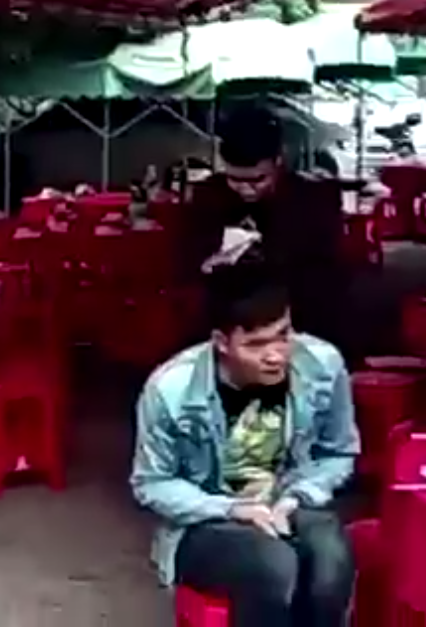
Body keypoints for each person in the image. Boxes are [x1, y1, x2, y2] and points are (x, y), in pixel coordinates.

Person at [131, 266, 360, 627]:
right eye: (256, 345)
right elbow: (152, 483)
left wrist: (298, 496)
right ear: (222, 342)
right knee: (274, 563)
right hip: (208, 521)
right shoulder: (170, 388)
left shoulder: (322, 365)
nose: (276, 355)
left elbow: (338, 452)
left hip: (290, 503)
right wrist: (233, 509)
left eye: (283, 336)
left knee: (331, 556)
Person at [181, 105, 348, 353]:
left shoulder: (314, 197)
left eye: (258, 179)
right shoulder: (208, 195)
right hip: (228, 320)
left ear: (278, 161)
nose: (246, 189)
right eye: (235, 179)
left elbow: (326, 267)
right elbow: (188, 256)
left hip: (301, 316)